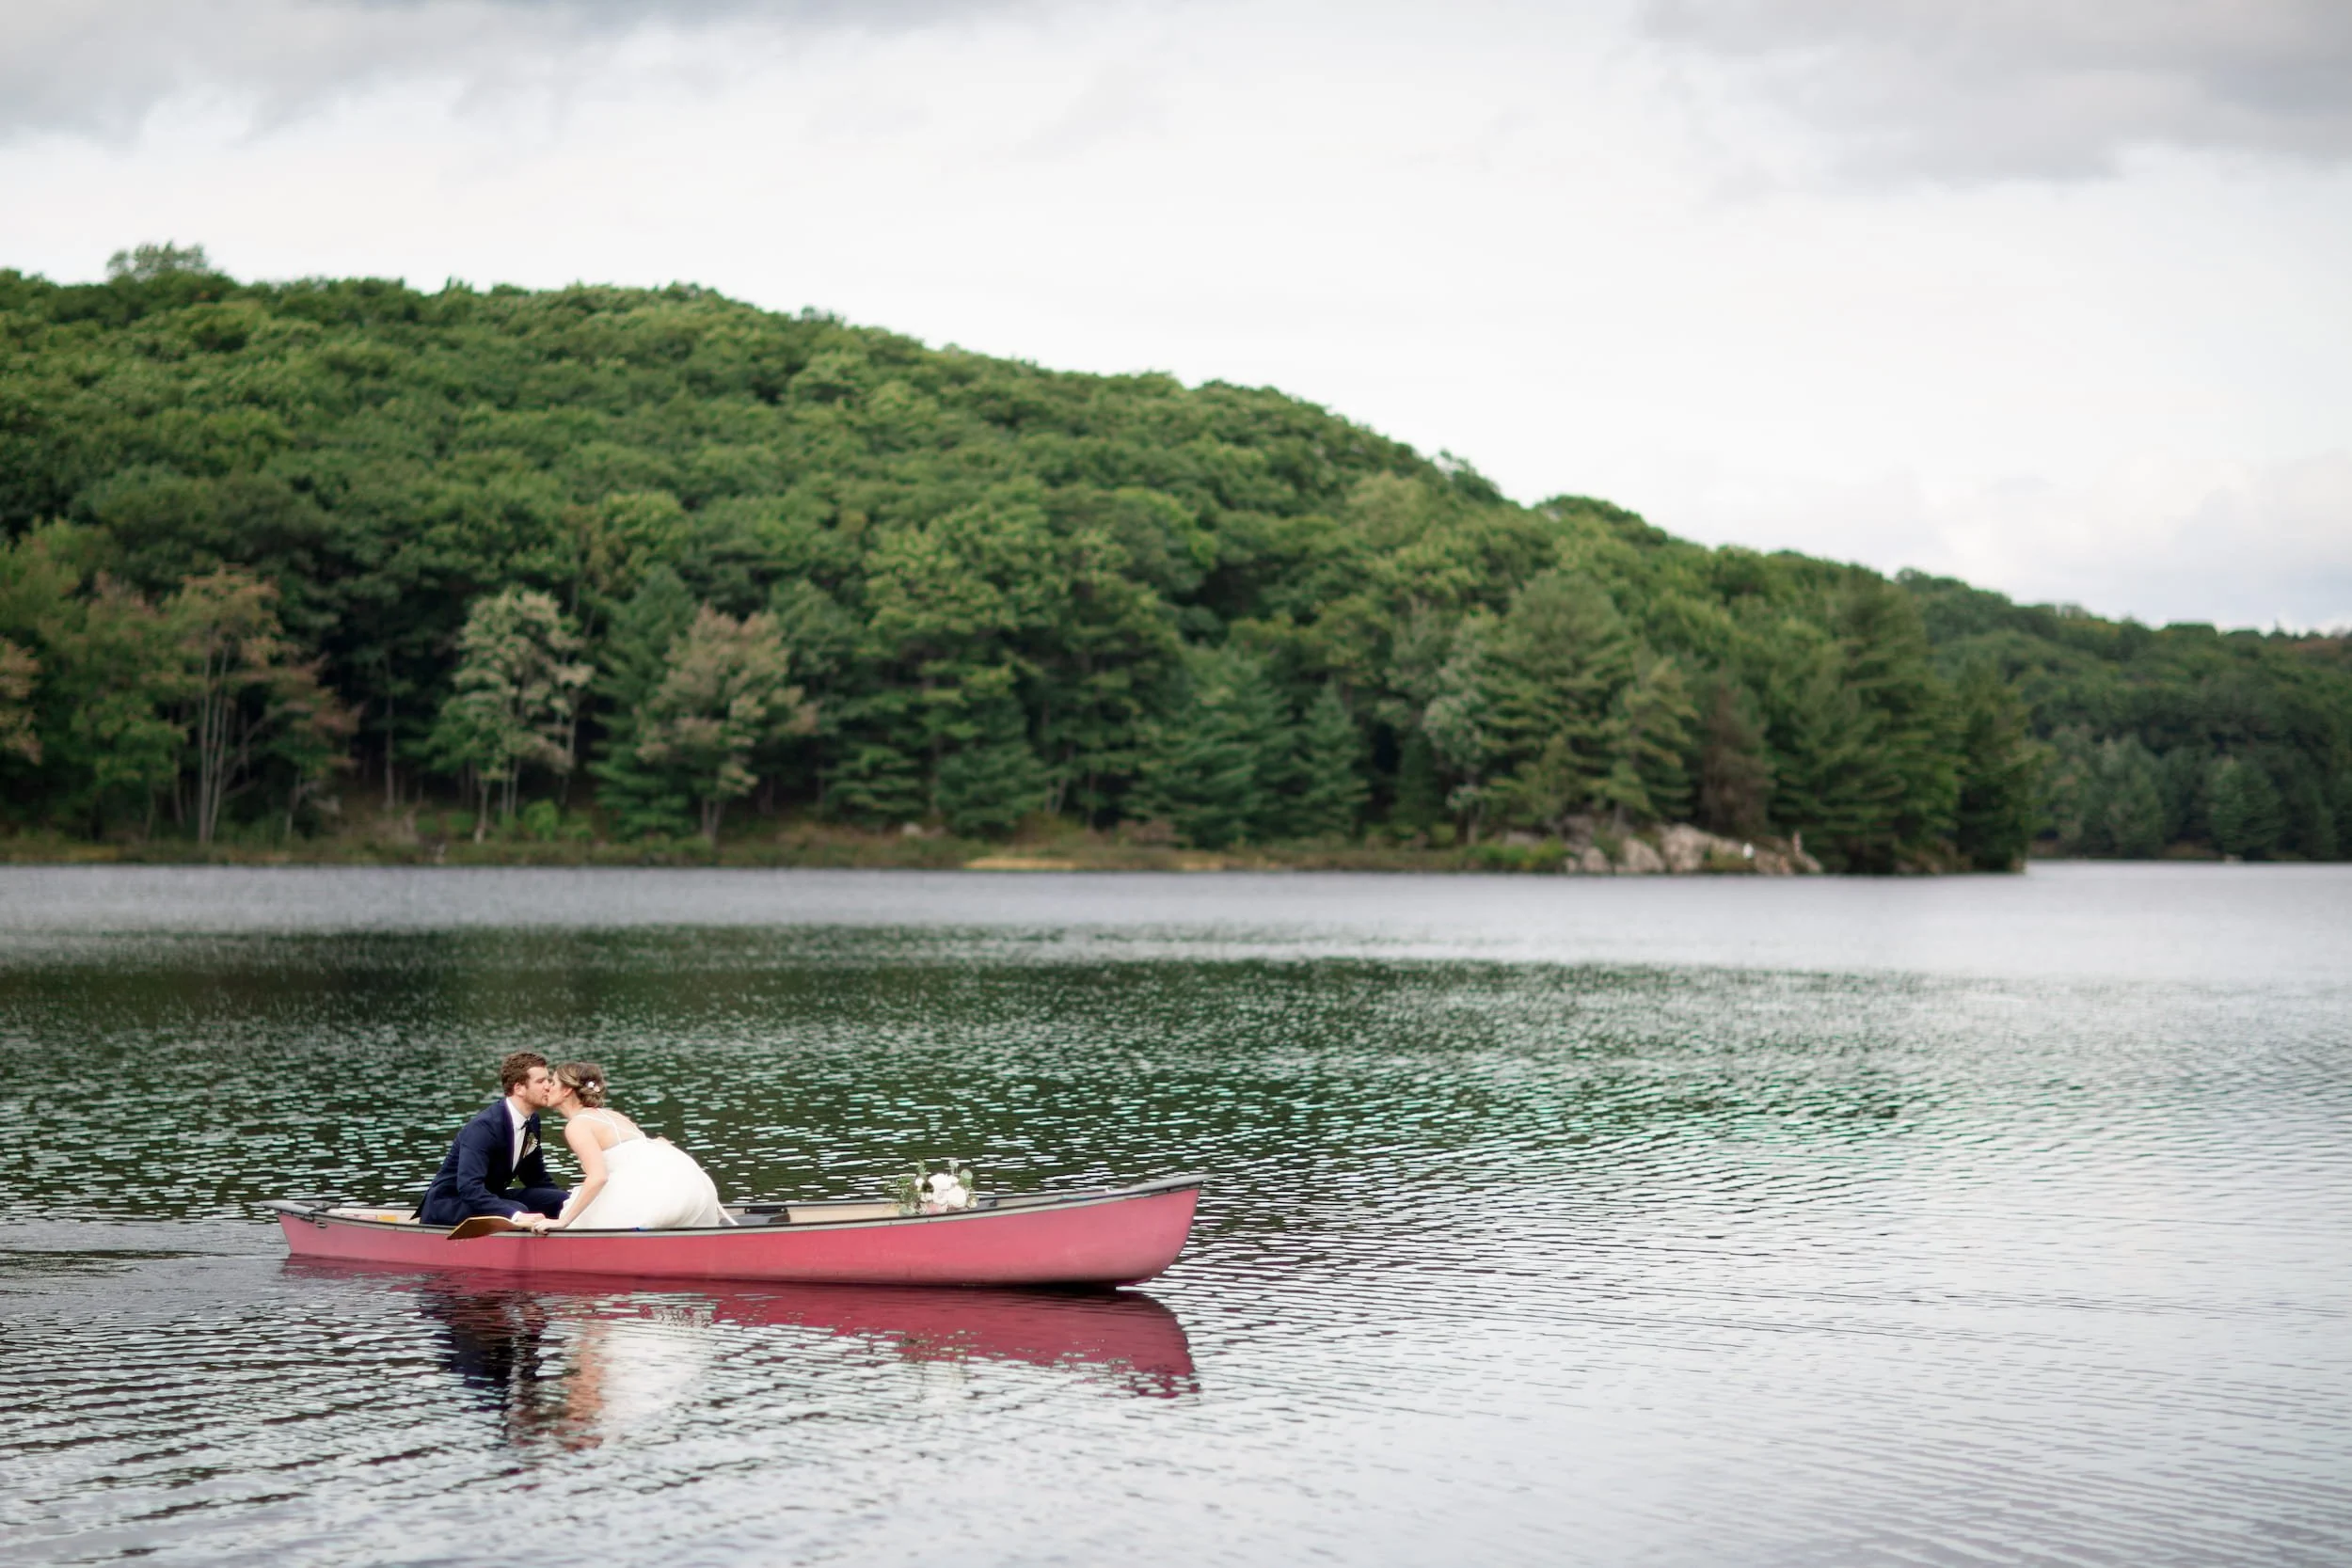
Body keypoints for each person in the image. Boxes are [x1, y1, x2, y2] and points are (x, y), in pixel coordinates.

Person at [546, 1061, 734, 1229]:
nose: (548, 1087)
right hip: (690, 1187)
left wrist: (564, 1221)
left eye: (552, 1082)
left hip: (655, 1197)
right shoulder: (614, 1116)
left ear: (566, 1090)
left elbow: (598, 1178)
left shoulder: (578, 1124)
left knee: (574, 1218)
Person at [419, 1052, 571, 1230]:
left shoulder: (532, 1121)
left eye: (549, 1080)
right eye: (541, 1081)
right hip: (450, 1205)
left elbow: (535, 1178)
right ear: (519, 1088)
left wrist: (573, 1203)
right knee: (518, 1210)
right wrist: (515, 1215)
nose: (549, 1087)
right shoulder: (483, 1128)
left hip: (492, 1198)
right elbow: (469, 1188)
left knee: (562, 1201)